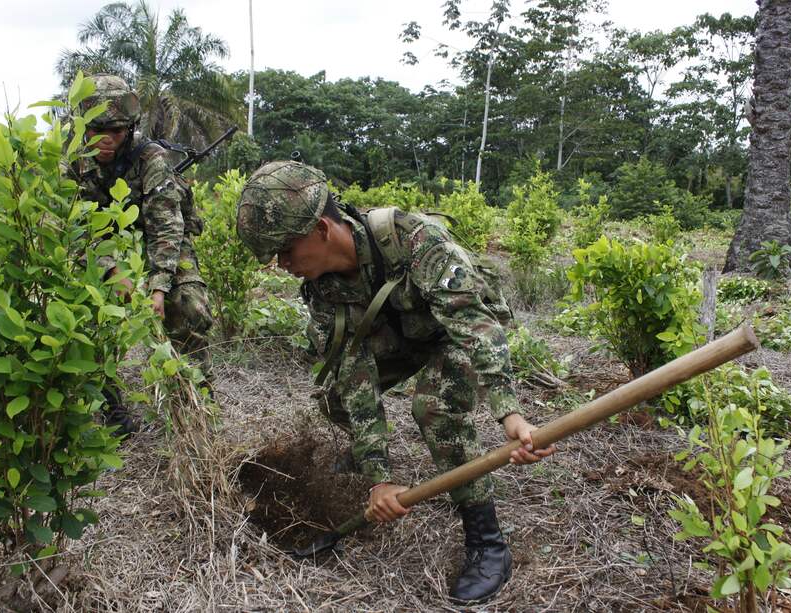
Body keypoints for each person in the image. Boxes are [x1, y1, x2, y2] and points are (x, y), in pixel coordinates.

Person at [235, 160, 555, 604]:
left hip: (453, 332)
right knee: (337, 400)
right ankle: (367, 455)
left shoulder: (415, 240)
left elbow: (473, 325)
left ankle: (487, 540)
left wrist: (510, 413)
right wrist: (379, 477)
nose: (282, 265)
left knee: (435, 408)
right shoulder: (322, 287)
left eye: (286, 251)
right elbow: (353, 370)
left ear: (323, 230)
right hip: (403, 335)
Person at [70, 75, 213, 434]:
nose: (105, 140)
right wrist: (110, 270)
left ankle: (199, 405)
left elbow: (167, 227)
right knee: (80, 312)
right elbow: (72, 228)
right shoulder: (71, 162)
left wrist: (159, 288)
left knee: (188, 305)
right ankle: (112, 409)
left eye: (115, 132)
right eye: (95, 131)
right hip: (100, 242)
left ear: (130, 128)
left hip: (158, 233)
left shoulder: (151, 157)